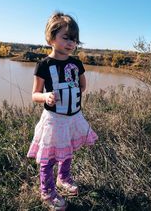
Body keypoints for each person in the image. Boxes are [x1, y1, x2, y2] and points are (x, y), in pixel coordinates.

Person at [27, 12, 98, 210]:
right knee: (49, 158)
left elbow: (83, 85)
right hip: (54, 119)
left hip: (74, 117)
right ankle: (47, 192)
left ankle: (63, 178)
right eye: (66, 37)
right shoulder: (43, 65)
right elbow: (34, 94)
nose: (71, 43)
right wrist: (46, 96)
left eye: (74, 39)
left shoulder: (76, 63)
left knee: (67, 151)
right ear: (51, 38)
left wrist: (71, 91)